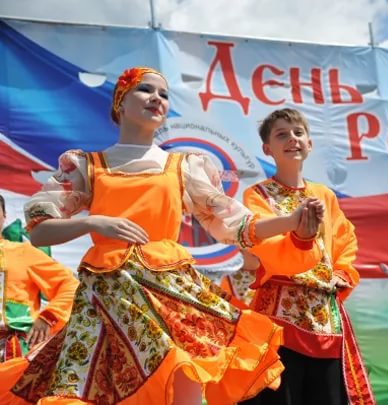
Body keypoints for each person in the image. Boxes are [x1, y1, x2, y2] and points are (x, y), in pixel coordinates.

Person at [0, 67, 325, 405]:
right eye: (145, 90)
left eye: (164, 94)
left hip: (169, 293)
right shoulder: (88, 166)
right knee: (97, 390)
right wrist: (94, 223)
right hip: (107, 298)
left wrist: (291, 222)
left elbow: (237, 225)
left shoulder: (184, 167)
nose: (157, 98)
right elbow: (40, 230)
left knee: (182, 375)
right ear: (120, 103)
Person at [239, 108, 376, 405]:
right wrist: (300, 239)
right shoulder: (257, 195)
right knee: (279, 396)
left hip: (323, 315)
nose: (292, 139)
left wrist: (341, 272)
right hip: (279, 312)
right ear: (267, 149)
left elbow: (344, 239)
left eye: (298, 133)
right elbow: (263, 244)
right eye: (282, 135)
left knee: (327, 395)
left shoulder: (324, 195)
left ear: (309, 144)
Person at [0, 194, 79, 361]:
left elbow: (70, 285)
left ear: (4, 215)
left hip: (12, 353)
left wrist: (48, 317)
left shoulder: (23, 253)